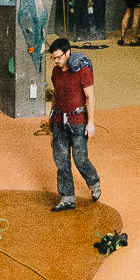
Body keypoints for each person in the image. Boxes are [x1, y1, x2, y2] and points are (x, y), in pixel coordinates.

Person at [45, 36, 100, 210]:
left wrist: (91, 122)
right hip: (59, 121)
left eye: (58, 57)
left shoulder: (83, 71)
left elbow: (90, 96)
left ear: (68, 53)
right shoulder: (56, 72)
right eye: (53, 58)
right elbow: (56, 94)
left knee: (80, 159)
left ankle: (94, 182)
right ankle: (67, 197)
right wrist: (51, 118)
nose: (56, 61)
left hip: (78, 121)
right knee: (61, 161)